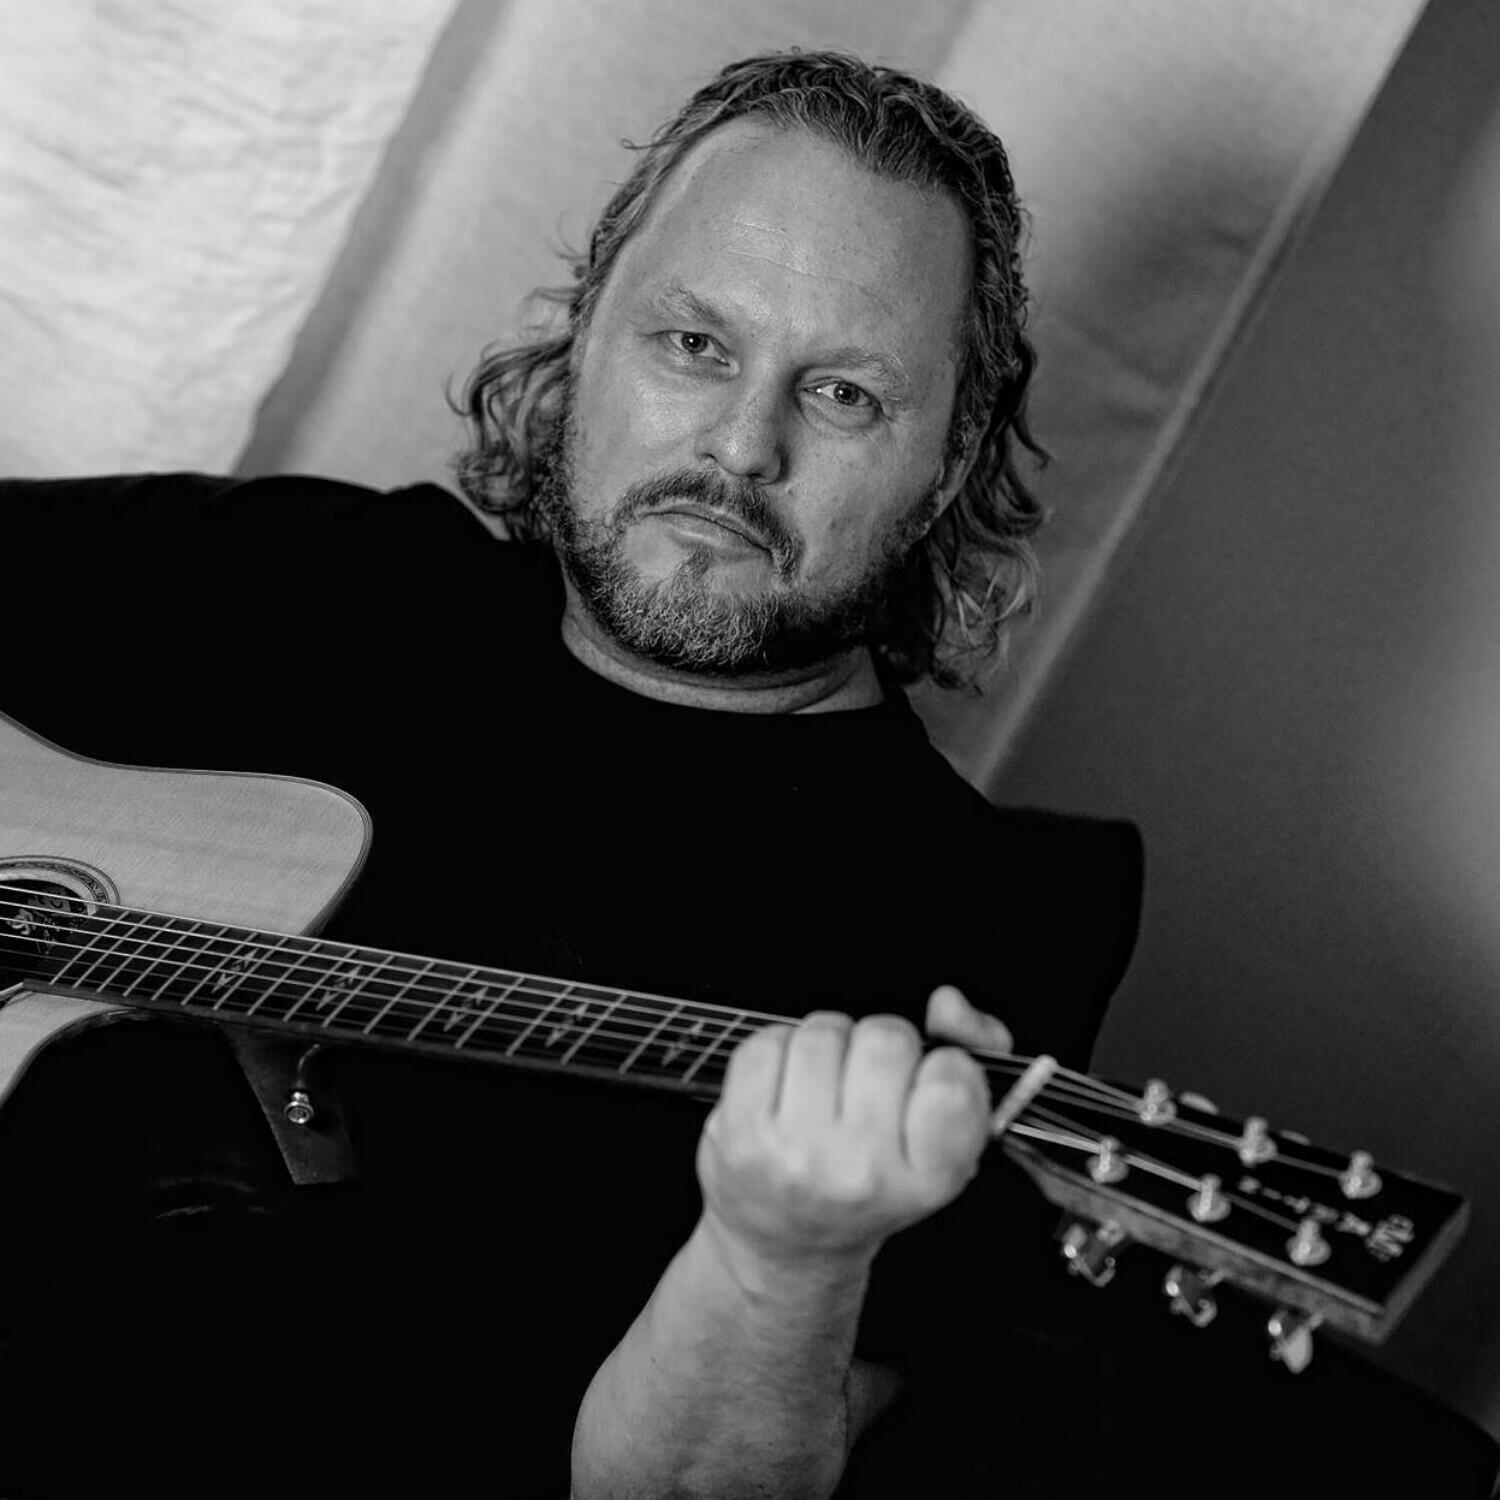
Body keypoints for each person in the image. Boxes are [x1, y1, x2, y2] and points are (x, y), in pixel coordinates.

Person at [0, 49, 1490, 1500]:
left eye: (842, 395)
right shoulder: (337, 579)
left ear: (950, 464)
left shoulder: (985, 921)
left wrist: (783, 1254)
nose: (740, 447)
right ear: (587, 330)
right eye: (695, 345)